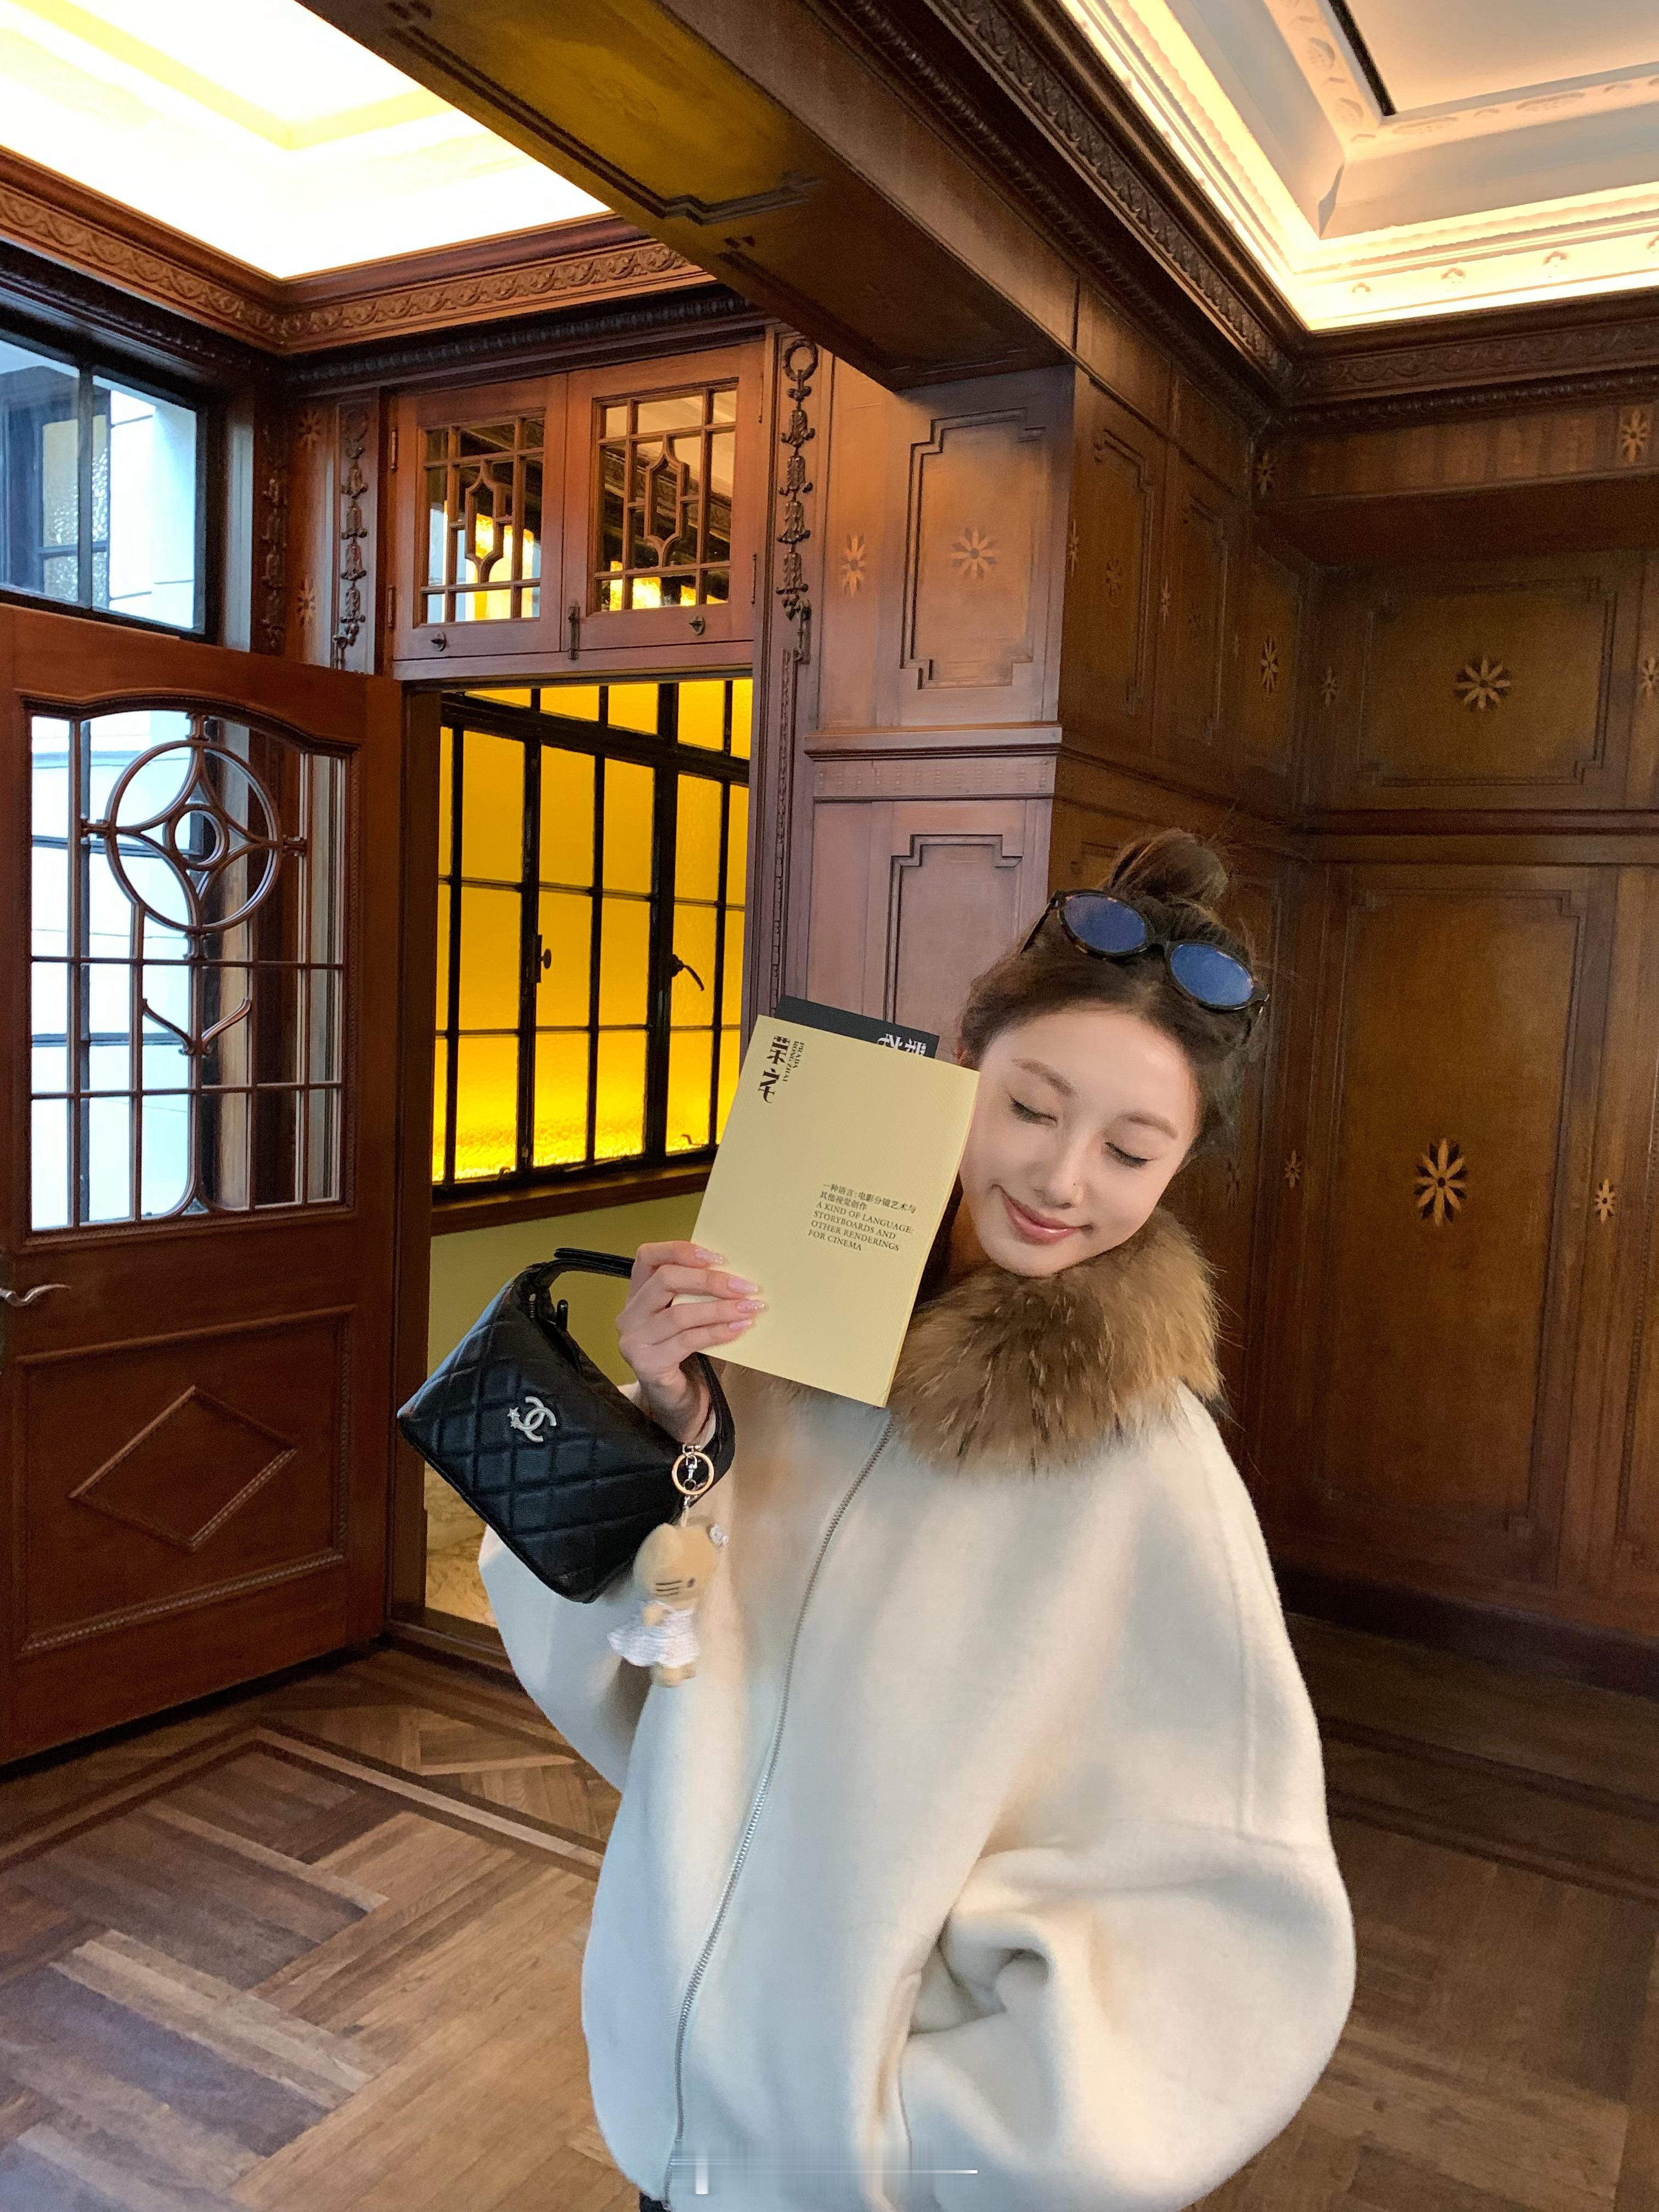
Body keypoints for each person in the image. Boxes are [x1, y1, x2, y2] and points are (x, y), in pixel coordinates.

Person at [479, 827, 1356, 2212]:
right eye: (1031, 1110)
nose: (1062, 1180)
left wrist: (922, 2142)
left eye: (1132, 1150)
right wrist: (669, 1424)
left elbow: (1232, 1908)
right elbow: (636, 1675)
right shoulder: (783, 1350)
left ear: (1181, 1167)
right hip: (666, 2111)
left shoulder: (1146, 1467)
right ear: (962, 1072)